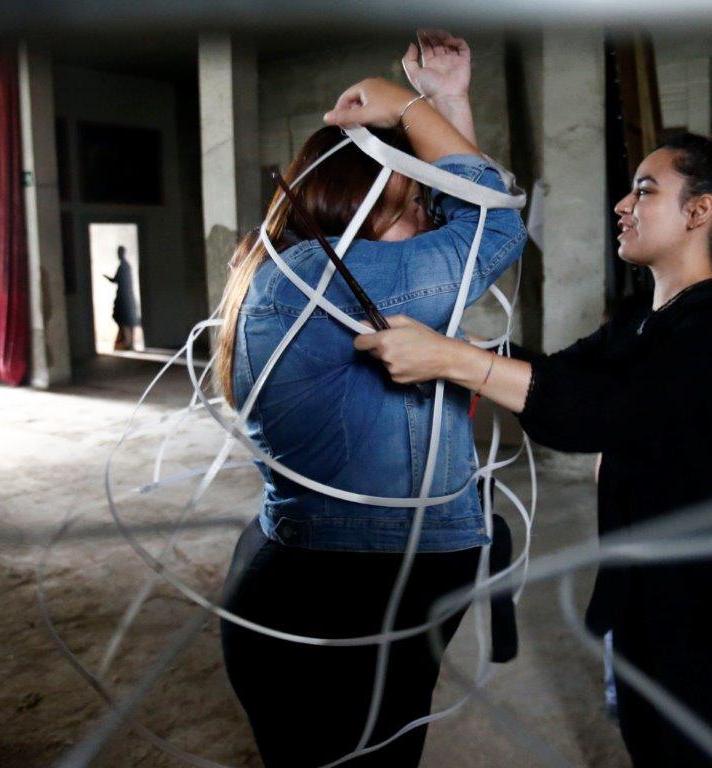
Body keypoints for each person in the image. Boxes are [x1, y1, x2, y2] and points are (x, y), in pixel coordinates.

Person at [355, 131, 712, 767]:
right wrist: (458, 347)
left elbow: (600, 414)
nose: (622, 204)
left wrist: (453, 360)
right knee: (649, 746)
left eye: (645, 191)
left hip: (706, 603)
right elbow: (558, 378)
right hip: (645, 585)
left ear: (698, 212)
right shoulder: (637, 320)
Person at [216, 32, 526, 768]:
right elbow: (492, 225)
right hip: (341, 594)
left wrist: (448, 102)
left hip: (350, 584)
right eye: (413, 204)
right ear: (357, 209)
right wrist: (408, 104)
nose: (429, 223)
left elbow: (467, 226)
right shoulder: (327, 278)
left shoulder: (301, 273)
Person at [103, 245, 138, 350]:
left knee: (125, 320)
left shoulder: (124, 266)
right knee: (123, 320)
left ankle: (128, 343)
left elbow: (118, 280)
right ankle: (126, 342)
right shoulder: (124, 266)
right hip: (124, 296)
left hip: (124, 298)